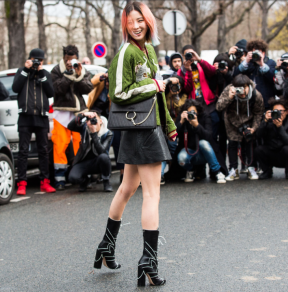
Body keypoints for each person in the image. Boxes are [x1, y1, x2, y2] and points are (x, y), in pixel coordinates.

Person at [93, 2, 177, 287]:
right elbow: (118, 92)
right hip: (139, 130)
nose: (136, 25)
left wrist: (170, 125)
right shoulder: (126, 52)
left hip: (148, 126)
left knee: (128, 188)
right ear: (125, 25)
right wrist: (152, 86)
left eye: (140, 20)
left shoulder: (148, 50)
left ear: (148, 21)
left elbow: (157, 95)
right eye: (131, 22)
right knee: (152, 195)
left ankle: (106, 247)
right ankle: (148, 262)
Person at [12, 48, 56, 195]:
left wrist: (42, 72)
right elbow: (15, 88)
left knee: (44, 151)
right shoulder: (21, 72)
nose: (38, 63)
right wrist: (26, 69)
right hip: (25, 116)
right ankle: (22, 183)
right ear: (29, 59)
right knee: (23, 151)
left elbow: (50, 92)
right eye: (35, 60)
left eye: (40, 60)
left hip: (42, 116)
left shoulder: (45, 74)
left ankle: (45, 181)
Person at [51, 45, 93, 190]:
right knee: (60, 144)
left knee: (80, 144)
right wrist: (68, 74)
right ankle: (60, 178)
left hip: (78, 112)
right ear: (64, 58)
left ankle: (80, 175)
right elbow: (57, 89)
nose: (70, 62)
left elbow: (88, 88)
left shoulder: (81, 69)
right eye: (68, 60)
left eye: (73, 59)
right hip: (61, 112)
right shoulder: (56, 70)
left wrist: (79, 74)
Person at [216, 74, 264, 181]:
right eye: (239, 88)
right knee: (232, 144)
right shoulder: (229, 90)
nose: (241, 91)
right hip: (231, 121)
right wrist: (230, 97)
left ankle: (251, 168)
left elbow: (258, 113)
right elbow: (219, 107)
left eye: (244, 88)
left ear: (249, 86)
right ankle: (233, 169)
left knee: (250, 143)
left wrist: (254, 128)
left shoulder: (256, 95)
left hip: (249, 120)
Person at [175, 99, 226, 183]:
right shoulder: (183, 118)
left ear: (198, 111)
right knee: (181, 158)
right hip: (190, 151)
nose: (191, 114)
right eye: (189, 112)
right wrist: (181, 121)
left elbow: (209, 136)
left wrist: (197, 125)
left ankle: (217, 172)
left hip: (205, 153)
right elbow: (174, 135)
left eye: (193, 112)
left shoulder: (205, 116)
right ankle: (190, 170)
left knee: (203, 143)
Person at [87, 71, 125, 183]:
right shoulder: (100, 83)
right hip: (99, 120)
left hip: (114, 120)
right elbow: (91, 83)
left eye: (110, 81)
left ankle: (122, 173)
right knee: (99, 146)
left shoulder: (118, 87)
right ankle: (99, 173)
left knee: (118, 146)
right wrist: (103, 76)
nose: (108, 83)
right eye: (107, 81)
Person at [67, 111, 113, 191]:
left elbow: (101, 151)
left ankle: (106, 181)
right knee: (72, 178)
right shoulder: (84, 128)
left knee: (104, 157)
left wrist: (94, 133)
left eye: (95, 119)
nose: (92, 122)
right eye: (89, 120)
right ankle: (85, 181)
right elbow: (70, 126)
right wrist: (83, 114)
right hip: (85, 162)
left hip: (99, 162)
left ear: (101, 121)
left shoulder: (108, 133)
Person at [181, 45, 219, 137]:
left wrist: (199, 59)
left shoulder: (201, 65)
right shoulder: (182, 70)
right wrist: (188, 71)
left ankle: (212, 146)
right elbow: (187, 88)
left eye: (191, 53)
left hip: (207, 103)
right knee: (198, 128)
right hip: (194, 104)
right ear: (183, 56)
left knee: (215, 122)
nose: (190, 56)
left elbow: (212, 71)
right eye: (187, 54)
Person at [255, 98, 288, 179]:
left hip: (284, 154)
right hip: (271, 152)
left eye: (281, 111)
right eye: (276, 111)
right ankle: (267, 171)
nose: (279, 113)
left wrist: (280, 127)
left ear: (287, 112)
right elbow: (258, 135)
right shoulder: (268, 120)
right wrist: (265, 121)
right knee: (258, 149)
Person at [234, 39, 276, 110]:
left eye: (258, 51)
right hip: (249, 102)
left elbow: (272, 78)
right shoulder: (248, 64)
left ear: (263, 52)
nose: (255, 54)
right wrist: (246, 61)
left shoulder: (270, 63)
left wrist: (262, 64)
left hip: (266, 102)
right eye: (253, 52)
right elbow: (236, 75)